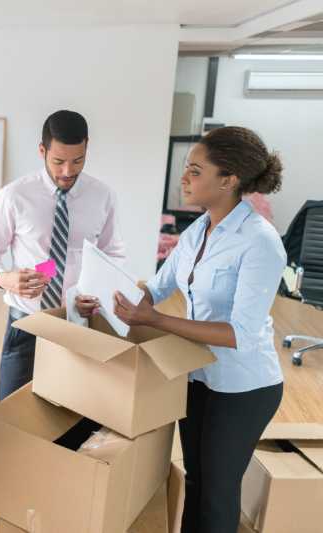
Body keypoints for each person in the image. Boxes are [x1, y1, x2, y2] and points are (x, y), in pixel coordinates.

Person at [112, 126, 285, 533]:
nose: (184, 178)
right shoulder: (198, 230)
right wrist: (112, 296)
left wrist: (154, 320)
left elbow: (238, 332)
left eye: (195, 170)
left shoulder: (259, 242)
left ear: (229, 180)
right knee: (196, 479)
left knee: (218, 491)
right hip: (198, 374)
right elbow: (157, 288)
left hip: (244, 387)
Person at [0, 110, 125, 401]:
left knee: (70, 416)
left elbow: (114, 253)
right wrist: (4, 278)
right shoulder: (14, 196)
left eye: (78, 160)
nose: (67, 171)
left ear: (87, 147)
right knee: (12, 415)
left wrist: (101, 293)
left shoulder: (103, 196)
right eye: (58, 161)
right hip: (26, 323)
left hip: (79, 323)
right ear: (42, 150)